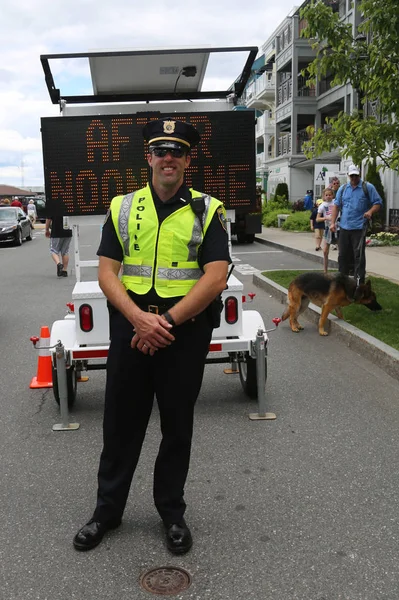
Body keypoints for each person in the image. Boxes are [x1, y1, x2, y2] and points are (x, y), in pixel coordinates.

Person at [73, 118, 230, 555]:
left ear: (187, 160)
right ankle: (106, 512)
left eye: (177, 151)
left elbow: (216, 277)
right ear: (148, 156)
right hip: (131, 328)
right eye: (160, 150)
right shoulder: (122, 206)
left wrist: (166, 323)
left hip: (183, 332)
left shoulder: (208, 209)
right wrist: (139, 319)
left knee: (176, 427)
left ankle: (172, 513)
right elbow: (107, 272)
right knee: (120, 424)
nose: (168, 158)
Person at [330, 164, 382, 284]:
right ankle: (341, 283)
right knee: (342, 255)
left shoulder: (367, 187)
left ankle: (359, 283)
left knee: (358, 256)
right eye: (352, 175)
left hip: (359, 228)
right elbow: (336, 206)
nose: (354, 178)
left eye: (356, 175)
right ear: (348, 175)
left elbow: (378, 203)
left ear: (359, 175)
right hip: (344, 227)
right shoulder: (343, 189)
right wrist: (332, 223)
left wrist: (370, 211)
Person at [317, 188, 338, 274]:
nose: (328, 196)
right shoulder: (322, 205)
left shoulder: (336, 203)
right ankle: (325, 271)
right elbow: (317, 219)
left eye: (330, 195)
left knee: (341, 250)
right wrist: (325, 217)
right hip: (328, 227)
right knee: (325, 250)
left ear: (333, 195)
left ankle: (342, 270)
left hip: (338, 226)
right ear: (324, 196)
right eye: (326, 195)